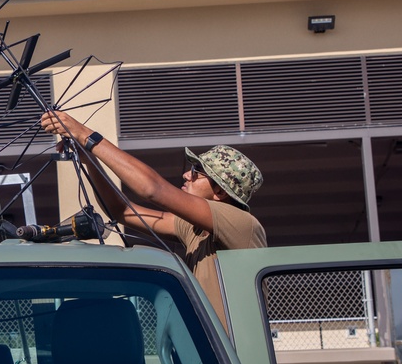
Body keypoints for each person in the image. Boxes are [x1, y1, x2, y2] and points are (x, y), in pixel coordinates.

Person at [40, 111, 266, 333]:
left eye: (197, 171)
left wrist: (85, 134)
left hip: (236, 360)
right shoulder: (197, 230)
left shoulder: (242, 223)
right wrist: (90, 159)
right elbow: (122, 211)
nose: (187, 175)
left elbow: (153, 189)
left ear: (219, 191)